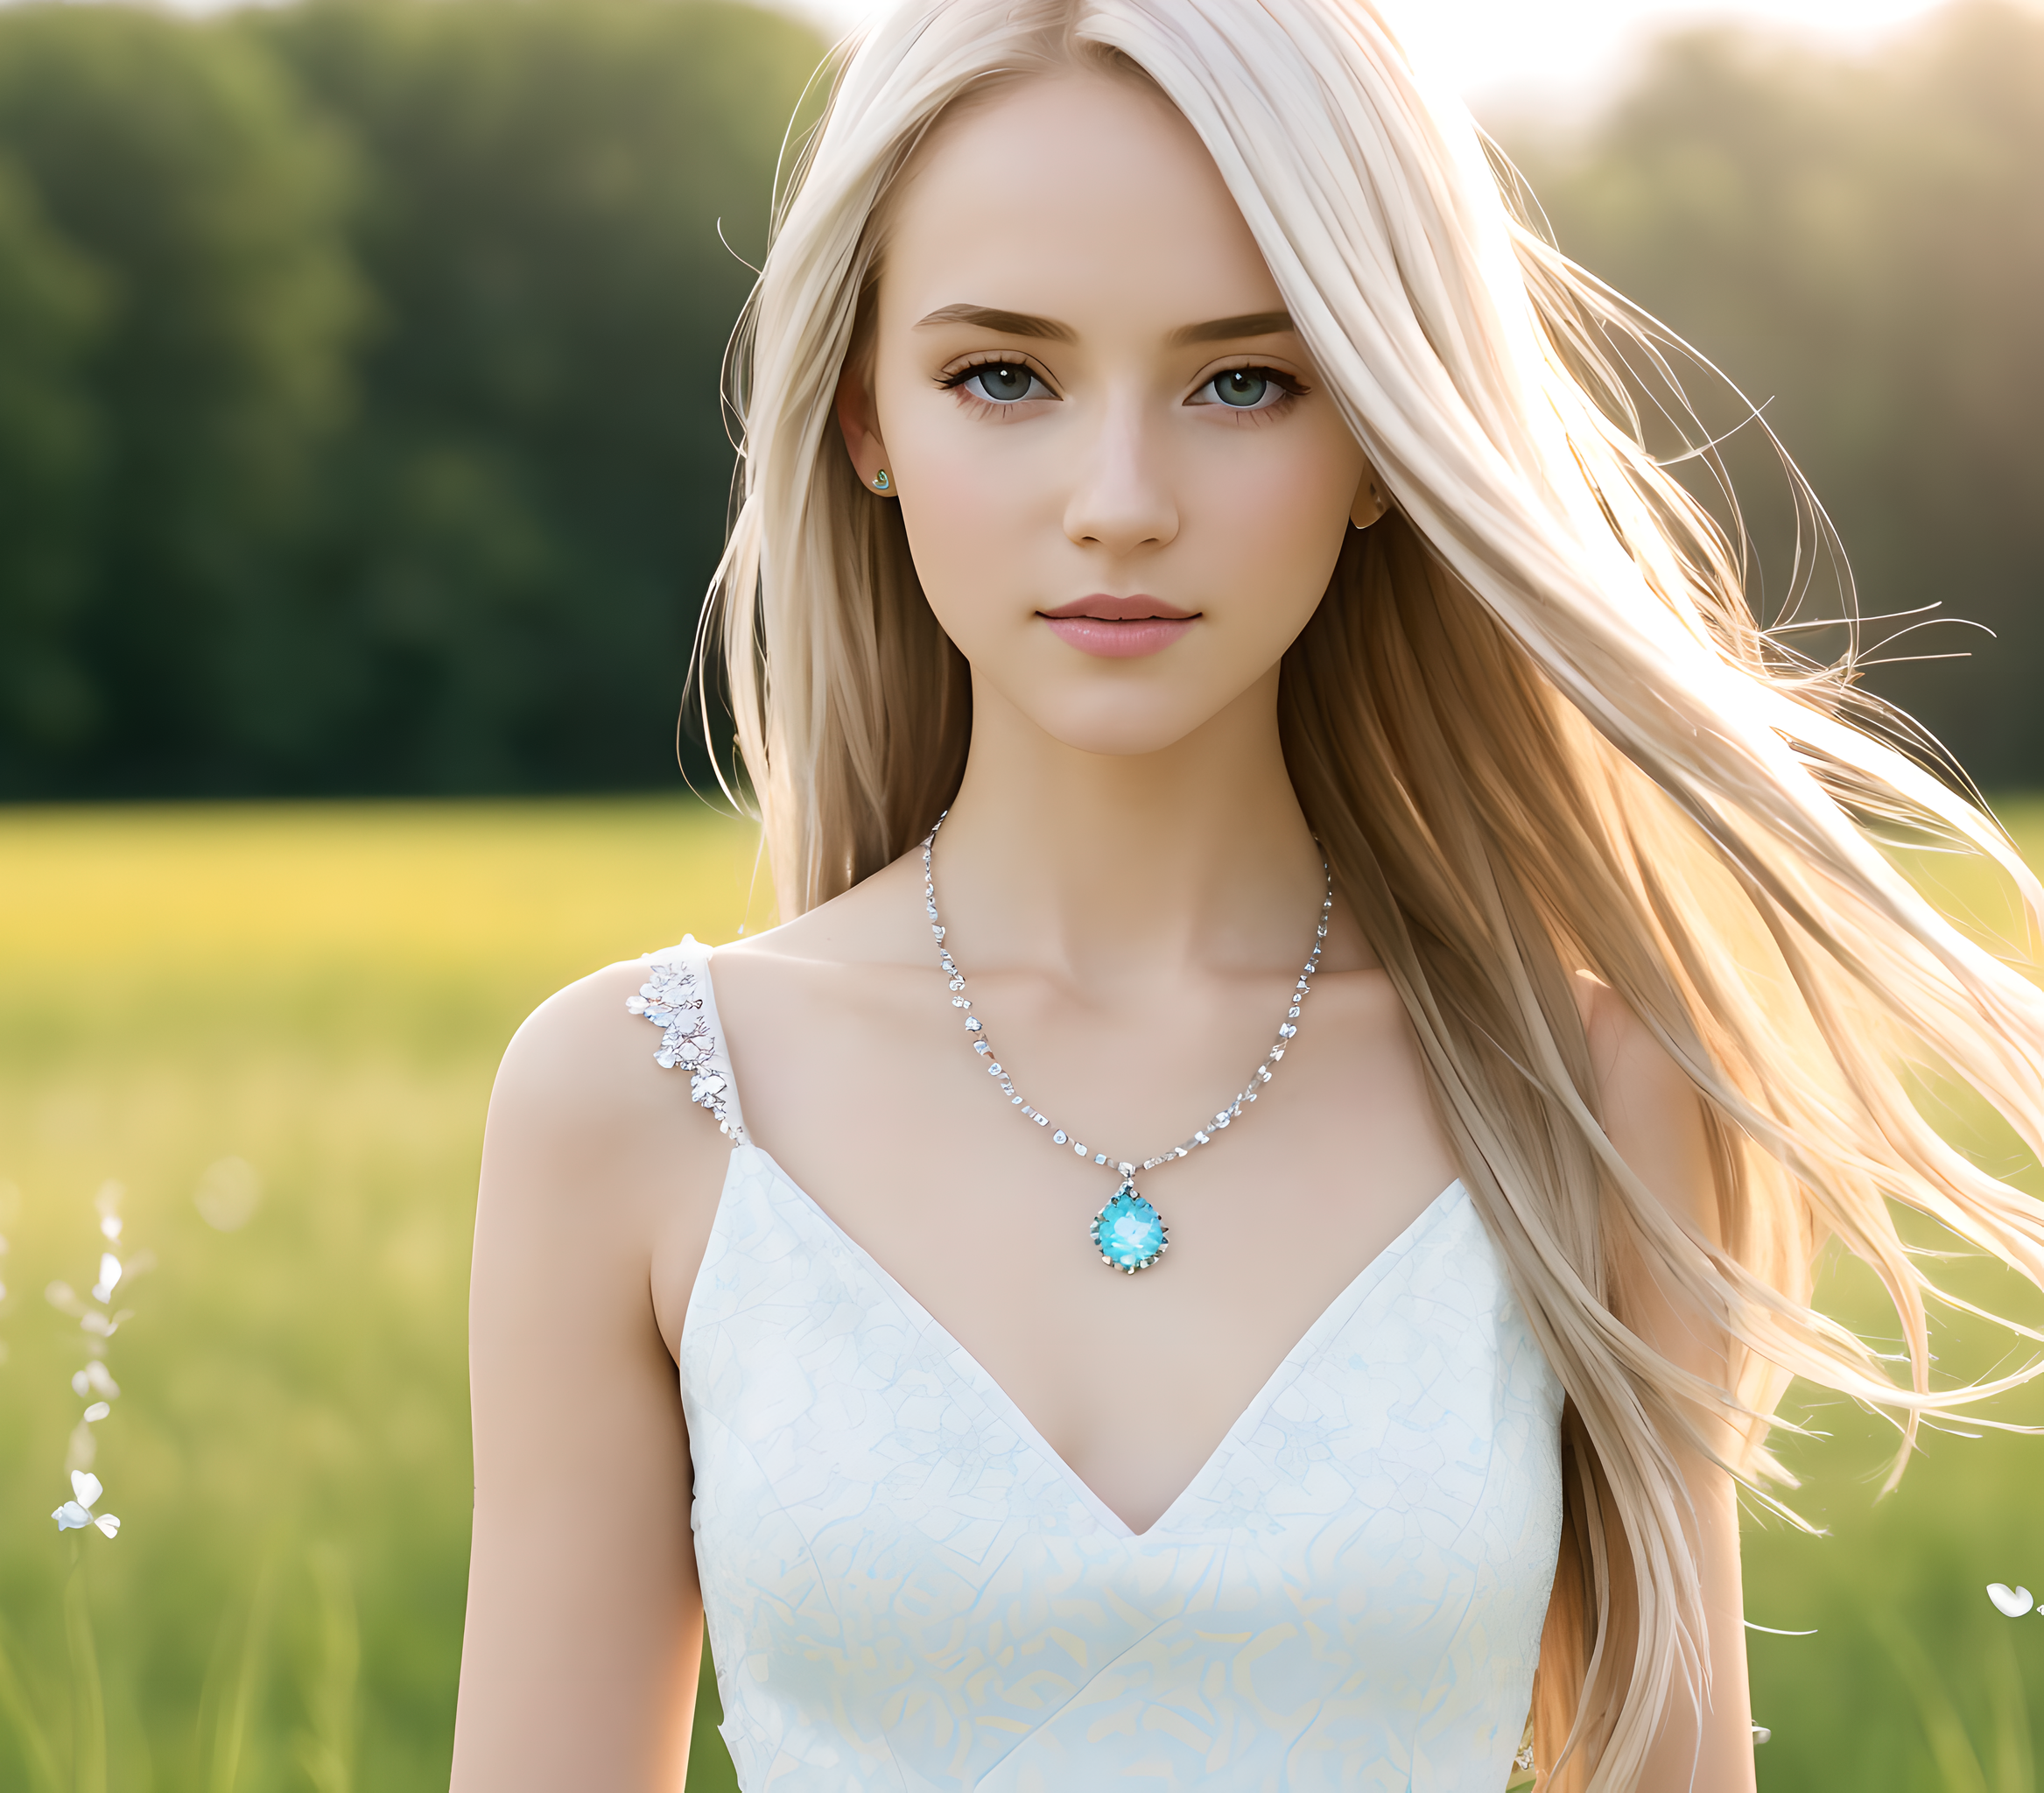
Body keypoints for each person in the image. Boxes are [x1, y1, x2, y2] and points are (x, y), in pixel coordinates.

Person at [450, 1, 2044, 1787]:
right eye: (1005, 376)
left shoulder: (1589, 1094)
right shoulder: (642, 1102)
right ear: (863, 417)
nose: (1120, 502)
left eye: (1243, 382)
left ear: (1378, 432)